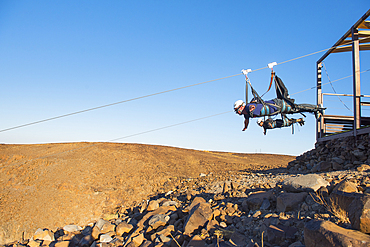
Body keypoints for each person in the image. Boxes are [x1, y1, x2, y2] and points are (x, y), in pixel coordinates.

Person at [234, 99, 324, 131]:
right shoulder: (246, 115)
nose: (237, 112)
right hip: (278, 110)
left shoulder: (248, 107)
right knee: (296, 110)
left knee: (297, 107)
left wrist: (252, 108)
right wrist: (245, 127)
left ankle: (317, 107)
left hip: (278, 104)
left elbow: (252, 106)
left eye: (237, 110)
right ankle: (315, 110)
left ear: (241, 107)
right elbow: (246, 120)